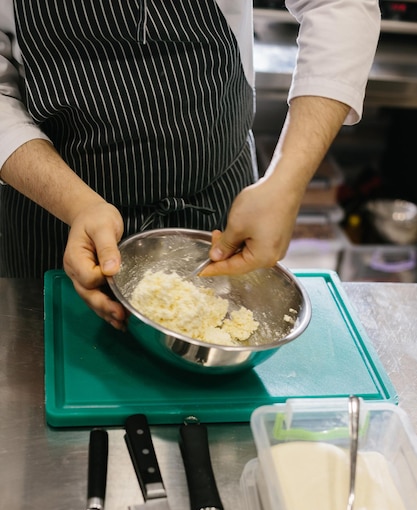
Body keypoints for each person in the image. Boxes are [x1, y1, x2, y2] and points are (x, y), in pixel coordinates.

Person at [0, 1, 380, 330]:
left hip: (218, 209)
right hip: (55, 221)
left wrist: (287, 181)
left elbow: (337, 5)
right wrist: (78, 205)